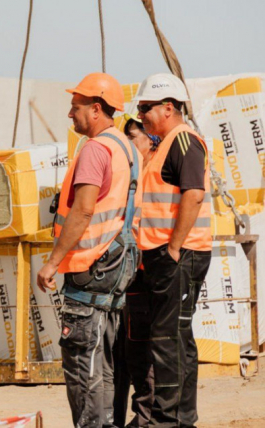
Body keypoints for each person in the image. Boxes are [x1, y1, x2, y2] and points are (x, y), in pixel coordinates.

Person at [37, 73, 142, 428]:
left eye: (76, 107)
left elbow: (82, 211)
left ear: (96, 109)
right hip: (117, 265)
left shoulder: (96, 149)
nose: (70, 114)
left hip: (92, 265)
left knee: (84, 362)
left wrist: (52, 263)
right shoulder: (125, 147)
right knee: (105, 360)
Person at [134, 73, 212, 427]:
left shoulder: (184, 141)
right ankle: (180, 419)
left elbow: (193, 194)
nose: (142, 115)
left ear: (168, 107)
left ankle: (169, 421)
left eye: (146, 108)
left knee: (168, 340)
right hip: (167, 255)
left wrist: (174, 249)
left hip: (178, 255)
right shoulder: (163, 144)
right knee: (177, 338)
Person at [113, 113, 159, 428]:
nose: (128, 144)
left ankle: (145, 418)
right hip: (129, 270)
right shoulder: (134, 173)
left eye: (133, 137)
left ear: (150, 139)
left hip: (146, 270)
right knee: (127, 349)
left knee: (141, 348)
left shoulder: (152, 173)